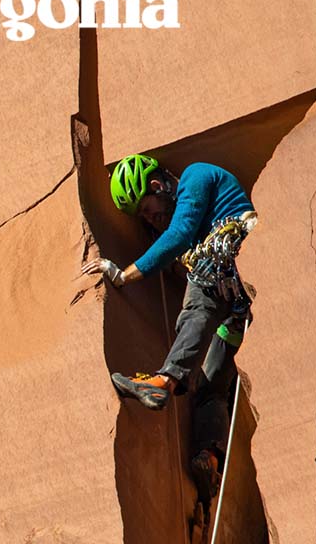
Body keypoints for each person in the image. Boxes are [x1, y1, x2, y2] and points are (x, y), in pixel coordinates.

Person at [80, 154, 257, 501]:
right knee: (210, 384)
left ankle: (163, 380)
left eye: (148, 208)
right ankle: (210, 456)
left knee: (199, 287)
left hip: (234, 250)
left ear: (159, 185)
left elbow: (180, 233)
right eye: (145, 217)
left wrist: (124, 274)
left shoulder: (197, 176)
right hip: (233, 305)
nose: (151, 218)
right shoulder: (178, 216)